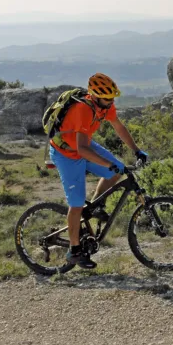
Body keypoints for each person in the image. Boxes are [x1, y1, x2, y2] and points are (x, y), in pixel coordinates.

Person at [49, 73, 149, 269]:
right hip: (66, 154)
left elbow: (119, 127)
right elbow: (82, 150)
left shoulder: (106, 106)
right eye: (107, 98)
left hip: (83, 146)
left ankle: (95, 206)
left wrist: (136, 150)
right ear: (94, 95)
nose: (111, 101)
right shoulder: (83, 110)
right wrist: (107, 163)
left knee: (115, 172)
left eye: (112, 98)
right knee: (76, 204)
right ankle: (74, 250)